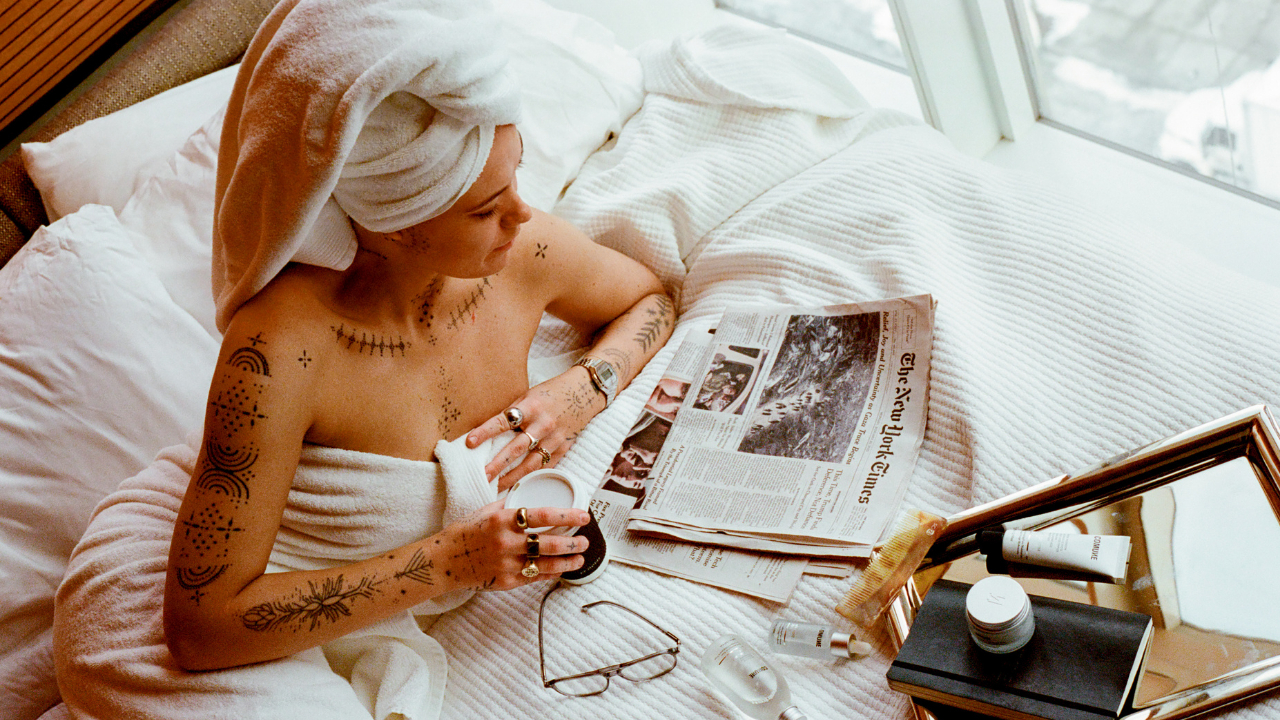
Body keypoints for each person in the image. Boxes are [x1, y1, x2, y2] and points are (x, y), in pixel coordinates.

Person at [53, 0, 673, 716]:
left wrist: (582, 388)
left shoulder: (520, 254)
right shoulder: (278, 351)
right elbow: (200, 628)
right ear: (393, 226)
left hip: (339, 606)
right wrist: (456, 562)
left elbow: (650, 301)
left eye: (516, 180)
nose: (522, 215)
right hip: (170, 612)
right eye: (484, 209)